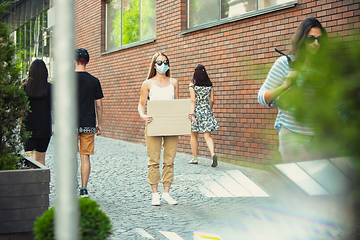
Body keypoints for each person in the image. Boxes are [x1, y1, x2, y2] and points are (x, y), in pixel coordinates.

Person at [257, 17, 328, 163]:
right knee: (300, 182)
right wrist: (285, 85)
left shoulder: (323, 68)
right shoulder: (285, 63)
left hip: (319, 137)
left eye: (319, 40)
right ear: (302, 40)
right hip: (293, 136)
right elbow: (261, 97)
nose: (316, 43)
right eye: (311, 39)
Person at [138, 52, 179, 206]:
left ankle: (166, 193)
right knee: (153, 159)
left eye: (165, 62)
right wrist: (143, 115)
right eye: (159, 62)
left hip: (171, 124)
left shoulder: (174, 82)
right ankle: (155, 193)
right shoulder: (147, 83)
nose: (163, 65)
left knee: (169, 159)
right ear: (154, 65)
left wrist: (186, 115)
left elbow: (177, 104)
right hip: (153, 123)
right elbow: (141, 104)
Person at [75, 48, 104, 197]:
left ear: (74, 61)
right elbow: (99, 105)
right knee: (85, 156)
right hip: (88, 123)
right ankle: (84, 188)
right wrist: (99, 123)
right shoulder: (94, 81)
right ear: (87, 62)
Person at [187, 64, 219, 167]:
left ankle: (195, 158)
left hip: (196, 112)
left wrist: (191, 114)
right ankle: (213, 153)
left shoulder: (192, 85)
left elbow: (193, 100)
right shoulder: (210, 85)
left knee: (193, 135)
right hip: (207, 111)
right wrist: (210, 110)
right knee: (207, 136)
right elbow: (212, 100)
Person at [23, 59, 52, 166]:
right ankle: (41, 182)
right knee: (40, 160)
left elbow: (20, 110)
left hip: (28, 127)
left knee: (30, 159)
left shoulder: (24, 89)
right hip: (44, 128)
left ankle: (31, 182)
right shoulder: (51, 88)